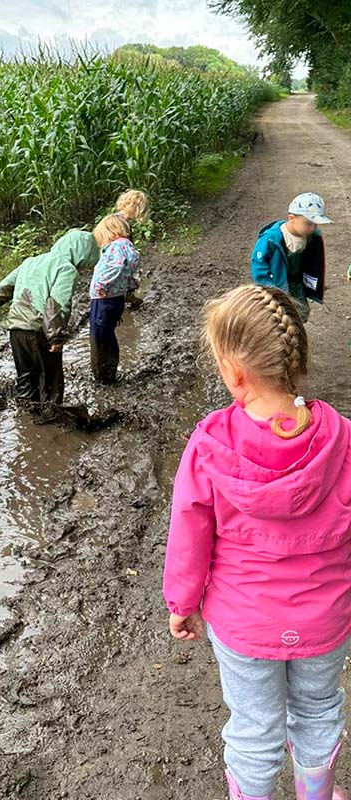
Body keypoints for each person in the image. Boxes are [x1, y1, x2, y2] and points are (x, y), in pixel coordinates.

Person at [163, 284, 351, 800]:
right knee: (318, 711)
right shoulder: (342, 437)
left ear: (233, 371)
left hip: (245, 623)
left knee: (253, 726)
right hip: (325, 618)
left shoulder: (210, 443)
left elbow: (189, 531)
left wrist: (183, 603)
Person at [0, 229, 100, 406]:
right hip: (40, 331)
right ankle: (50, 416)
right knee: (50, 380)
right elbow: (57, 303)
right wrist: (56, 336)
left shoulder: (30, 262)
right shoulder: (66, 269)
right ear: (83, 256)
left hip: (16, 329)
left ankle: (26, 414)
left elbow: (4, 287)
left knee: (25, 377)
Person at [251, 192, 331, 322]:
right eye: (308, 223)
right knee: (276, 315)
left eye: (315, 224)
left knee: (301, 313)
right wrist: (266, 287)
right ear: (292, 218)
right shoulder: (271, 239)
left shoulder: (311, 237)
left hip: (295, 283)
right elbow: (258, 264)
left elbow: (313, 262)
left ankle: (295, 331)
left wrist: (314, 281)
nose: (312, 228)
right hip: (276, 284)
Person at [88, 214, 140, 383]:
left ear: (112, 233)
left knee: (99, 335)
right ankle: (108, 369)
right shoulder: (128, 248)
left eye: (103, 238)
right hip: (116, 298)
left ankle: (103, 374)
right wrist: (130, 286)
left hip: (104, 297)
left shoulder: (116, 247)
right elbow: (129, 270)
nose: (103, 243)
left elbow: (117, 267)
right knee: (107, 332)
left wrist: (101, 285)